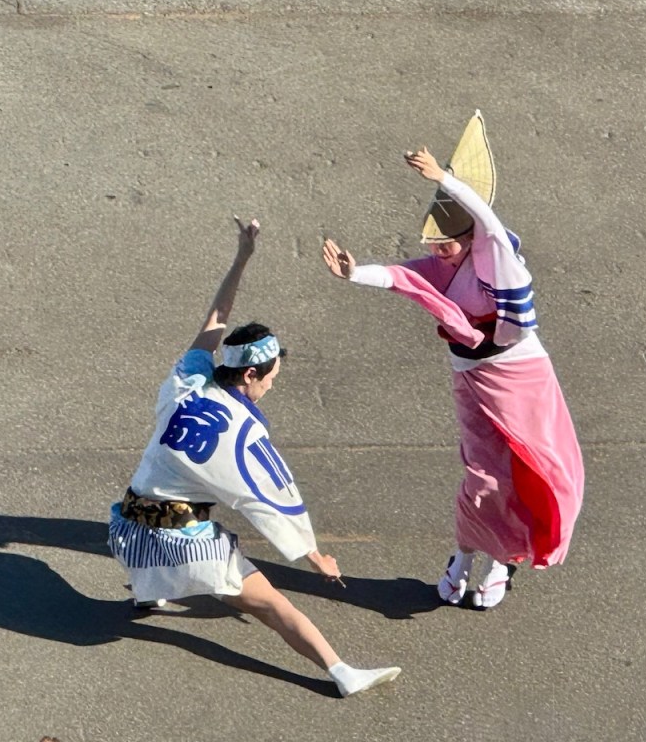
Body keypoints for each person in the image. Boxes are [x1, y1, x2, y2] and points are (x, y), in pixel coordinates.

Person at [108, 216, 400, 697]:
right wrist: (314, 556)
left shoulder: (189, 380)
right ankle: (343, 672)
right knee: (272, 606)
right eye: (271, 378)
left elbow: (214, 320)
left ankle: (152, 591)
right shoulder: (241, 433)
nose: (271, 386)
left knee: (163, 512)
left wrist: (242, 258)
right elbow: (269, 500)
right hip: (183, 543)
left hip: (126, 532)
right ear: (250, 376)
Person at [322, 147, 585, 610]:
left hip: (520, 373)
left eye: (446, 243)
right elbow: (400, 277)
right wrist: (354, 274)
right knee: (481, 476)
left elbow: (491, 221)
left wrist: (444, 179)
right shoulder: (441, 267)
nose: (437, 251)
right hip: (469, 372)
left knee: (529, 471)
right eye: (433, 244)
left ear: (472, 238)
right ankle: (463, 554)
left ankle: (501, 560)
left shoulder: (497, 258)